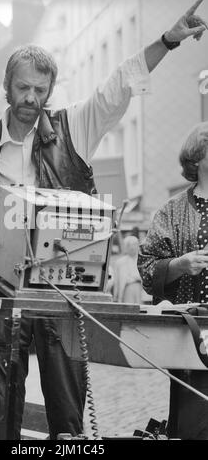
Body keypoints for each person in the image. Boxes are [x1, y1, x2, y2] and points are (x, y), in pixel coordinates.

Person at [0, 0, 208, 440]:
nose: (31, 98)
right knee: (1, 414)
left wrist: (167, 41)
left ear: (49, 91)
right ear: (6, 86)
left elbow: (118, 87)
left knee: (68, 420)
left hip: (63, 295)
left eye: (40, 90)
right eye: (23, 88)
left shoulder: (72, 128)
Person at [138, 121, 208, 440]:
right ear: (198, 158)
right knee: (194, 423)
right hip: (191, 337)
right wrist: (180, 264)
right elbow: (148, 268)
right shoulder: (172, 210)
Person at [113, 235, 142, 303]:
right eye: (129, 245)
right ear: (125, 247)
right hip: (126, 290)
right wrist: (115, 297)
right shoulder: (120, 262)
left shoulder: (143, 261)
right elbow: (116, 281)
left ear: (138, 246)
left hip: (140, 290)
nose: (132, 247)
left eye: (134, 244)